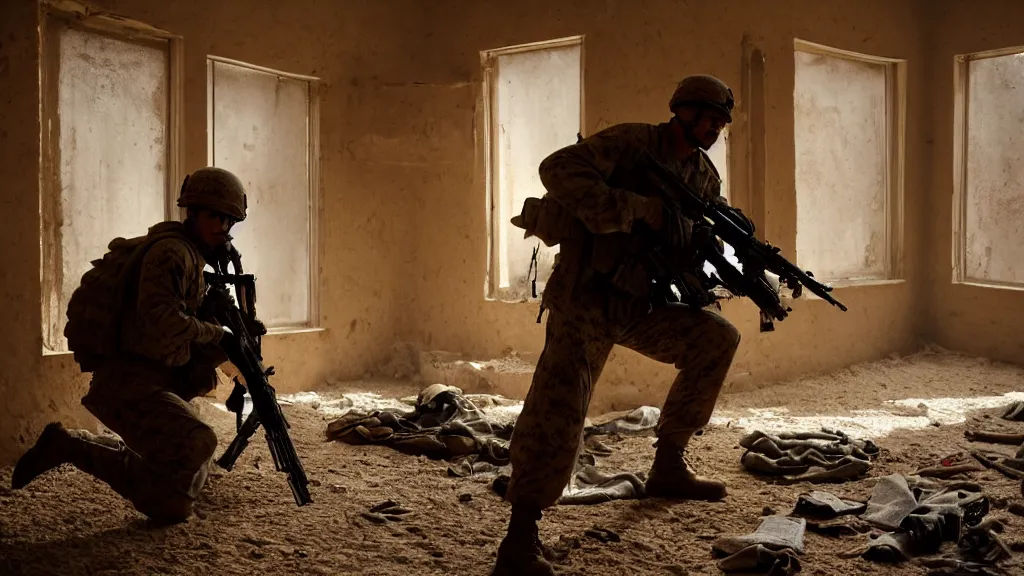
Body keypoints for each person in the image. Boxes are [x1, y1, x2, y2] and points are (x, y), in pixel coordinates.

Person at [493, 75, 743, 575]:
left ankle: (669, 464)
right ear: (682, 112)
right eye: (709, 116)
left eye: (721, 121)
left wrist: (709, 248)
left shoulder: (703, 177)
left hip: (640, 302)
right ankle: (520, 536)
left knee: (716, 336)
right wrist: (639, 210)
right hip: (587, 296)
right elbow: (556, 168)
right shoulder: (633, 144)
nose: (716, 126)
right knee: (560, 401)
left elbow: (688, 238)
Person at [11, 167, 248, 524]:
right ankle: (70, 447)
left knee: (193, 467)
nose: (222, 227)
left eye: (228, 220)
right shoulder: (173, 254)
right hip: (127, 384)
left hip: (152, 379)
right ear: (193, 211)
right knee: (192, 457)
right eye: (214, 215)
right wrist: (216, 334)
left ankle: (78, 445)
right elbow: (160, 319)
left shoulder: (192, 256)